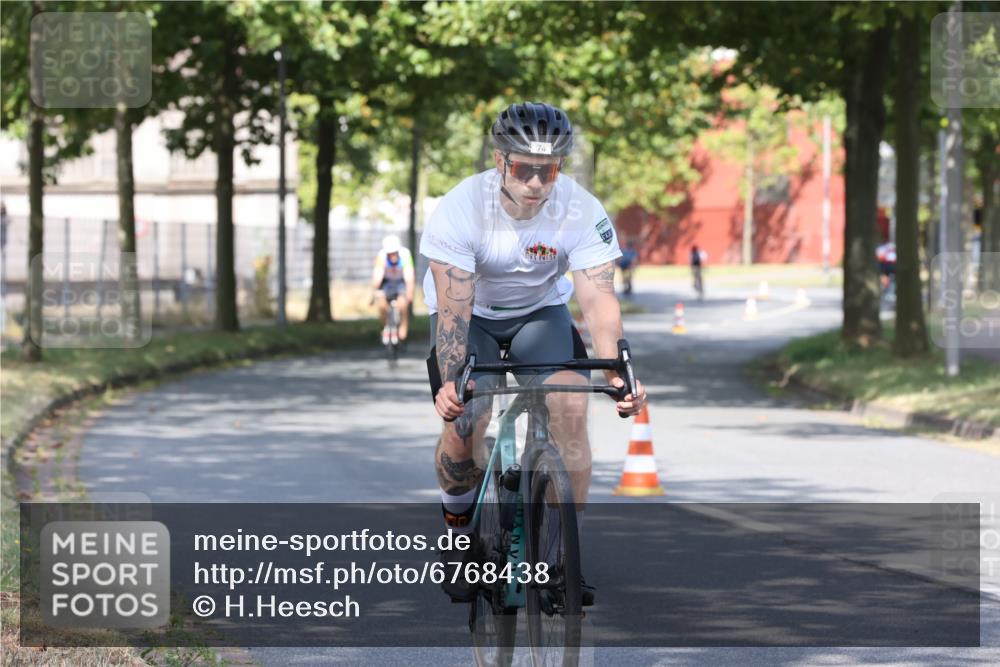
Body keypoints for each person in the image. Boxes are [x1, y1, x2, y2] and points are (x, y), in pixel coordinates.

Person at [421, 101, 647, 605]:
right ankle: (458, 539)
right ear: (500, 160)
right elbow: (455, 309)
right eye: (525, 169)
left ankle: (563, 559)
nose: (537, 182)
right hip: (471, 315)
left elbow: (598, 300)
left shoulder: (581, 209)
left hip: (539, 312)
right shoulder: (461, 208)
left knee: (571, 404)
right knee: (468, 417)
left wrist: (617, 372)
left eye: (550, 170)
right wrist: (452, 381)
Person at [372, 234, 415, 345]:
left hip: (400, 281)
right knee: (381, 304)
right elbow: (377, 277)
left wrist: (409, 293)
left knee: (402, 304)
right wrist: (375, 293)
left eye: (394, 252)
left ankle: (403, 328)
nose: (392, 255)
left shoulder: (405, 254)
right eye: (390, 253)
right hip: (386, 281)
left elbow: (409, 277)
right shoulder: (381, 256)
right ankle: (384, 327)